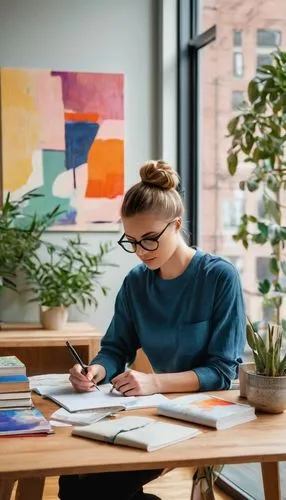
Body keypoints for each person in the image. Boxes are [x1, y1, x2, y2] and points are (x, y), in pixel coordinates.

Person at [59, 160, 246, 500]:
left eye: (149, 239)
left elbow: (222, 371)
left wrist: (156, 381)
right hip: (155, 410)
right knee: (72, 478)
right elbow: (116, 347)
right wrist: (96, 370)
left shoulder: (219, 278)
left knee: (99, 487)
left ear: (176, 225)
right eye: (131, 241)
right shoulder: (136, 283)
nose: (141, 252)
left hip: (206, 413)